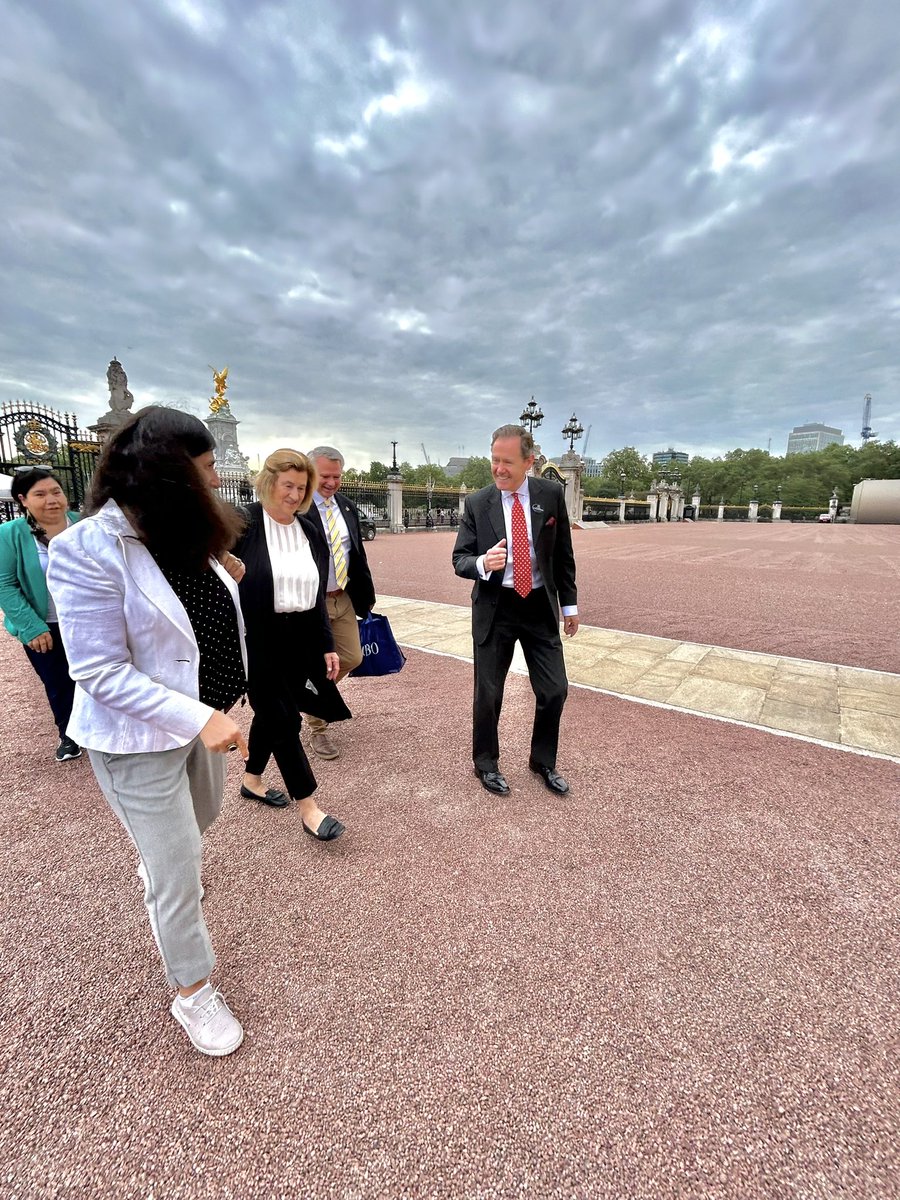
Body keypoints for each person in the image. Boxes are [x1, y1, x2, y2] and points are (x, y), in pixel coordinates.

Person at [47, 406, 250, 1058]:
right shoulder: (85, 549)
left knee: (204, 818)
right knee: (179, 874)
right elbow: (98, 670)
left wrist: (227, 579)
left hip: (201, 723)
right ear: (170, 473)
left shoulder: (180, 529)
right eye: (207, 467)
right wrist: (201, 718)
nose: (216, 480)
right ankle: (193, 992)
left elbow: (185, 615)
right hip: (135, 742)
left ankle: (157, 857)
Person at [452, 424, 579, 797]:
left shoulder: (551, 494)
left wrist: (568, 605)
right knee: (488, 693)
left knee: (555, 690)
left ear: (529, 461)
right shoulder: (478, 503)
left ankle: (542, 762)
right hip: (496, 607)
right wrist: (481, 563)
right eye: (495, 460)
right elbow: (459, 558)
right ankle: (486, 763)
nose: (499, 468)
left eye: (507, 461)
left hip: (540, 605)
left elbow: (563, 556)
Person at [234, 448, 350, 840]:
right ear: (268, 482)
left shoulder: (310, 530)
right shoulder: (243, 523)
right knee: (285, 718)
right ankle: (310, 808)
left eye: (302, 487)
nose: (295, 495)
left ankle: (251, 780)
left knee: (272, 713)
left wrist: (326, 643)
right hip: (256, 636)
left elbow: (317, 595)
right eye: (288, 485)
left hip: (300, 637)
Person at [0, 468, 82, 761]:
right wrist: (31, 627)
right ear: (22, 499)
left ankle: (99, 729)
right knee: (58, 681)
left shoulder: (82, 524)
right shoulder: (11, 534)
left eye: (56, 492)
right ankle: (69, 733)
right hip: (44, 624)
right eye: (40, 494)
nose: (52, 500)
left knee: (94, 677)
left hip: (86, 621)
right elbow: (5, 584)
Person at [302, 445, 376, 761]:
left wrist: (366, 596)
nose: (331, 482)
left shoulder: (345, 507)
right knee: (319, 663)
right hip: (310, 602)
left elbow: (356, 554)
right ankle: (318, 728)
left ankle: (307, 698)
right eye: (324, 476)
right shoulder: (298, 507)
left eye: (336, 476)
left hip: (342, 597)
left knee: (352, 657)